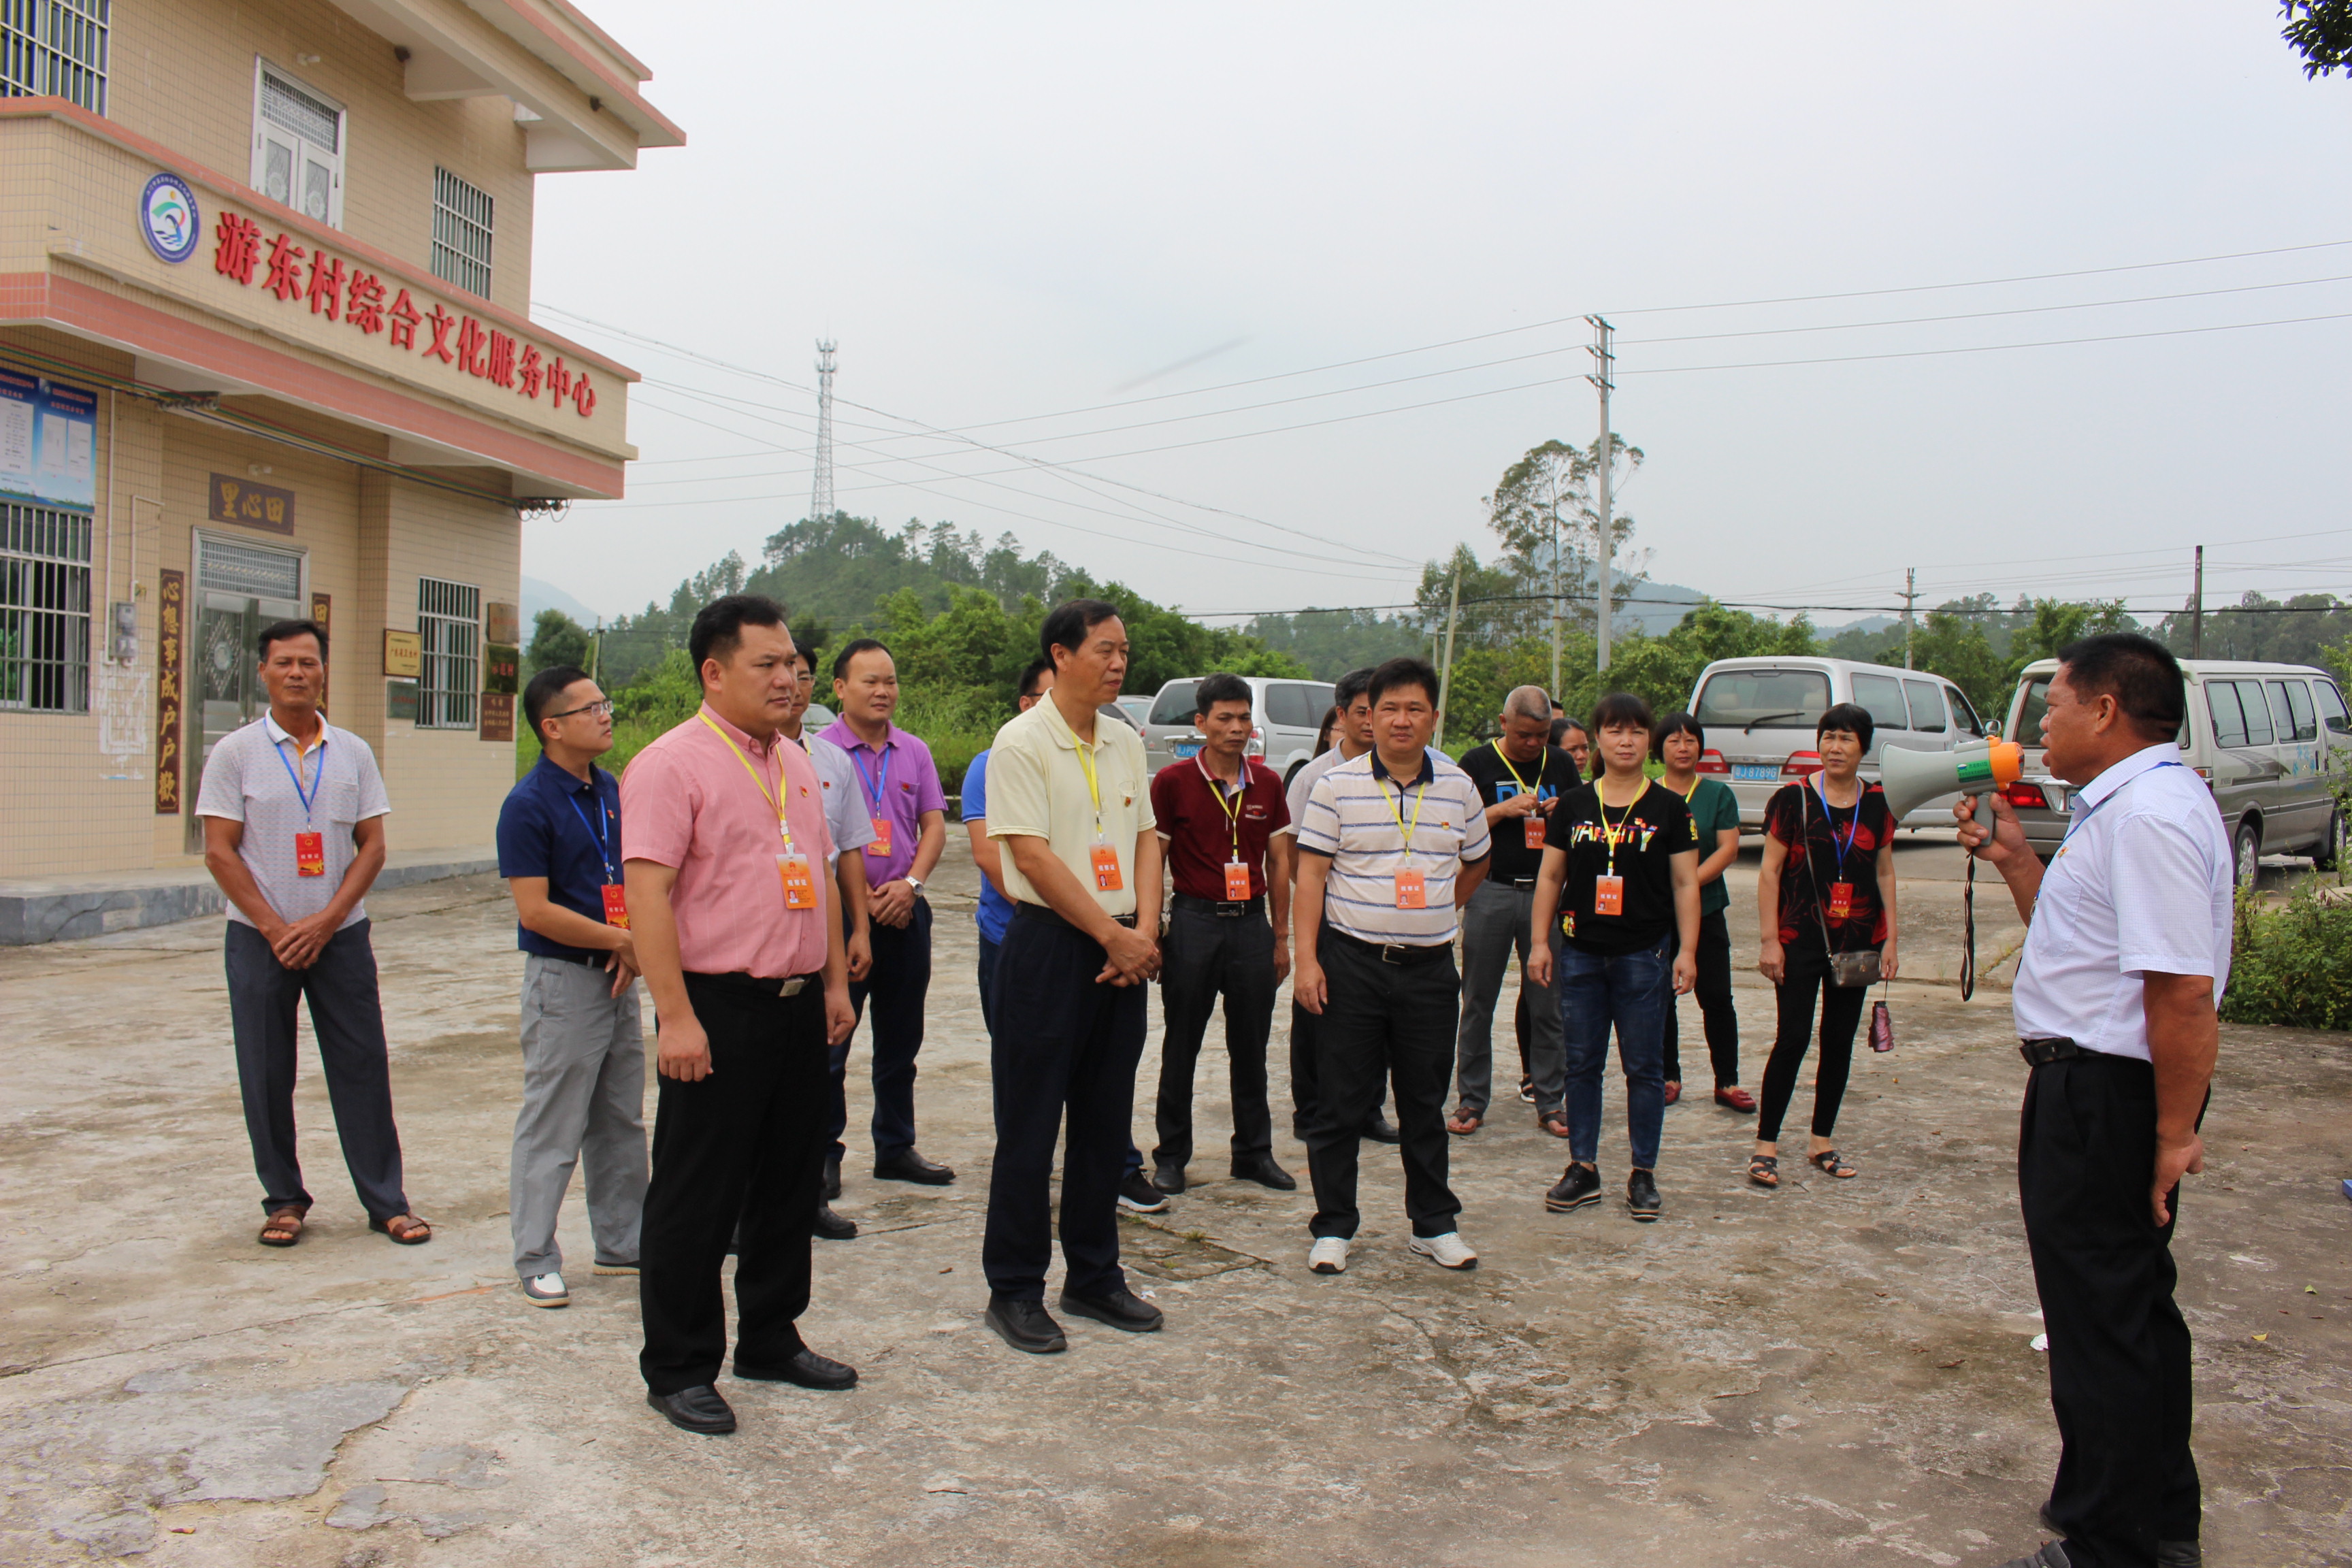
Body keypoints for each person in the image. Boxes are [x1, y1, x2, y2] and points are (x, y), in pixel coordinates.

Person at [1959, 634, 2227, 1568]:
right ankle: (2158, 1519)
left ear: (2106, 710)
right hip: (2101, 1084)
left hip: (2107, 1093)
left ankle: (2111, 1544)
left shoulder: (2146, 816)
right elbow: (2086, 950)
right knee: (2132, 1308)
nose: (2041, 726)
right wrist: (2015, 863)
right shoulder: (2133, 806)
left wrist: (2172, 1133)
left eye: (2055, 705)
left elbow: (2181, 992)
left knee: (2099, 1320)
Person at [621, 595, 858, 1436]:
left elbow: (819, 876)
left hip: (797, 1003)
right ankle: (680, 1366)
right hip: (714, 1005)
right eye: (769, 665)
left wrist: (834, 984)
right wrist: (676, 1017)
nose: (789, 678)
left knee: (789, 1182)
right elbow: (647, 897)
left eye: (793, 663)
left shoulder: (796, 761)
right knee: (697, 1192)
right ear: (714, 672)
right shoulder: (670, 765)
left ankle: (770, 1335)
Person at [198, 619, 426, 1250]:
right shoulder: (235, 753)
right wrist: (276, 929)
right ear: (263, 673)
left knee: (362, 1064)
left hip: (341, 936)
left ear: (324, 671)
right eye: (284, 663)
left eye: (308, 662)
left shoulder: (353, 752)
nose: (297, 673)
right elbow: (219, 851)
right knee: (265, 1070)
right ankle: (284, 1200)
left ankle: (387, 1203)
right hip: (259, 938)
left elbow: (373, 846)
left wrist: (326, 921)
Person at [979, 598, 1168, 1354]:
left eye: (1124, 651)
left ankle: (1094, 1276)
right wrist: (1110, 936)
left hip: (1122, 948)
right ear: (1060, 655)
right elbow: (1030, 856)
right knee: (1029, 1128)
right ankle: (1014, 1289)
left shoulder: (1124, 739)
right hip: (1051, 947)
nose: (1118, 662)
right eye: (1104, 650)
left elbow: (1147, 838)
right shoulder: (1021, 742)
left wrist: (1142, 930)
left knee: (1103, 1122)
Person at [1292, 657, 1492, 1275]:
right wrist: (1307, 961)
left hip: (1429, 971)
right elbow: (1310, 877)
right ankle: (1334, 1227)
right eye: (1389, 709)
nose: (1401, 720)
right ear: (1369, 716)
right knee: (1340, 1103)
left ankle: (1433, 1225)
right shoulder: (1336, 786)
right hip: (1351, 964)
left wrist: (1437, 909)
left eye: (1414, 709)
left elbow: (1477, 860)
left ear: (1434, 717)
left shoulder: (1459, 786)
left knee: (1423, 1102)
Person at [495, 666, 648, 1307]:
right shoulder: (528, 804)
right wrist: (620, 941)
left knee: (620, 1116)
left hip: (618, 971)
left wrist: (629, 943)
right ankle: (535, 1257)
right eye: (590, 709)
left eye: (604, 703)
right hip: (565, 979)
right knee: (553, 1121)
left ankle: (624, 1242)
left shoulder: (611, 789)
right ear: (552, 727)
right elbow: (534, 911)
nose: (605, 715)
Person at [1527, 693, 1698, 1224]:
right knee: (1582, 1065)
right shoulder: (1575, 805)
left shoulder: (1670, 808)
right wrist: (1539, 943)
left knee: (1644, 1068)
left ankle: (1643, 1172)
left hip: (1644, 954)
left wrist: (1688, 951)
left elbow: (1686, 883)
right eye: (1615, 731)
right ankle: (1583, 1167)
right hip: (1580, 953)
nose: (1627, 741)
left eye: (1637, 732)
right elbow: (1550, 876)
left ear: (1650, 741)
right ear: (1598, 738)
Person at [1148, 672, 1295, 1195]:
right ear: (1201, 722)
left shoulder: (1268, 784)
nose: (1236, 728)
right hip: (1194, 924)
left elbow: (1279, 863)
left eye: (1244, 718)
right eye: (1224, 718)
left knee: (1250, 1046)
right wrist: (1152, 931)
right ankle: (1171, 1156)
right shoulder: (1172, 783)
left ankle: (1253, 1153)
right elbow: (1154, 859)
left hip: (1251, 926)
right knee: (1181, 1044)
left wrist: (1281, 937)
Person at [821, 640, 955, 1191]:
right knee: (832, 1041)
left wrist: (911, 886)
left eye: (890, 681)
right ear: (840, 688)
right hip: (841, 919)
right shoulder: (818, 753)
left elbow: (935, 825)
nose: (883, 691)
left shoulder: (913, 751)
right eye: (870, 681)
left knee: (901, 1042)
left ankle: (896, 1147)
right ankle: (823, 1154)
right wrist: (862, 903)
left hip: (905, 913)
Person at [1749, 703, 1899, 1190]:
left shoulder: (1877, 803)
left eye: (1846, 739)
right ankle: (1766, 1146)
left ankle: (1821, 1141)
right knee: (1792, 1038)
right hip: (1798, 938)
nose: (1835, 747)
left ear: (1863, 748)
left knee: (1838, 1042)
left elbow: (1884, 872)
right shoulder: (1792, 799)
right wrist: (1770, 941)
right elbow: (1769, 872)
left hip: (1856, 939)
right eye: (1828, 737)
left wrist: (1891, 939)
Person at [1448, 685, 1580, 1139]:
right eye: (1524, 735)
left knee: (1547, 1002)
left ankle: (1551, 1100)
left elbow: (1582, 825)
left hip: (1546, 895)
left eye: (1541, 735)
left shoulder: (1559, 763)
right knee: (1477, 1001)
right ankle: (1472, 1099)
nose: (1533, 743)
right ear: (1503, 723)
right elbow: (1457, 827)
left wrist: (1564, 813)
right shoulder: (1475, 763)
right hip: (1492, 890)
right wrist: (1501, 810)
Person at [779, 637, 877, 1241]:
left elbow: (846, 855)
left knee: (817, 1071)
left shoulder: (830, 762)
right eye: (776, 669)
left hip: (822, 930)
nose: (790, 684)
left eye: (800, 674)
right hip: (759, 947)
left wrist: (858, 928)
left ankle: (809, 1195)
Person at [1281, 666, 1401, 1147]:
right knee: (1316, 1013)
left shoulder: (1400, 772)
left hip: (1380, 917)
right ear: (1342, 715)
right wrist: (1322, 899)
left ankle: (1369, 1109)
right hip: (1329, 915)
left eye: (1380, 711)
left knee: (1377, 1015)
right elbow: (1293, 852)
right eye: (1363, 712)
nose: (1372, 722)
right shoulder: (1314, 777)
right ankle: (1310, 1109)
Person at [1652, 712, 1753, 1113]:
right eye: (1674, 741)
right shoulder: (1648, 794)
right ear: (1659, 749)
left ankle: (1727, 1081)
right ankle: (1667, 1076)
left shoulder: (1717, 794)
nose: (1683, 747)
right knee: (1660, 998)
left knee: (1717, 998)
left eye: (1691, 740)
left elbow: (1728, 848)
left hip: (1708, 909)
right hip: (1657, 912)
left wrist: (1688, 884)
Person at [963, 655, 1054, 1034]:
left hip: (1079, 935)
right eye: (1050, 697)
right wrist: (1061, 915)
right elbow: (988, 856)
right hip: (1011, 933)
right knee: (1017, 1054)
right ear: (1026, 704)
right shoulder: (988, 766)